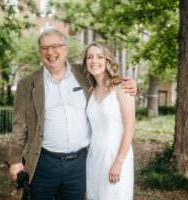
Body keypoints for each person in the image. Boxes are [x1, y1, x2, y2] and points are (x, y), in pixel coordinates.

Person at [9, 28, 137, 200]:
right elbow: (19, 125)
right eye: (45, 48)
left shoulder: (83, 74)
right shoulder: (28, 83)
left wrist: (133, 85)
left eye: (56, 46)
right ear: (40, 51)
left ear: (65, 48)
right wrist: (15, 159)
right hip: (44, 162)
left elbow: (109, 82)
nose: (51, 52)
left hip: (79, 165)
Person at [84, 42, 135, 200]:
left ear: (108, 61)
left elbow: (130, 127)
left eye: (100, 57)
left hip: (116, 156)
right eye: (90, 57)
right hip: (94, 157)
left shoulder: (122, 88)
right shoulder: (90, 90)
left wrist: (119, 162)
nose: (94, 61)